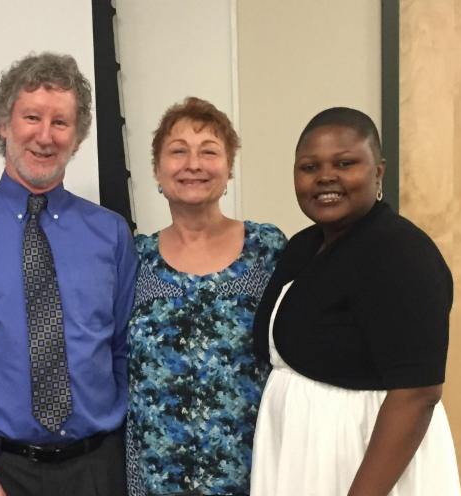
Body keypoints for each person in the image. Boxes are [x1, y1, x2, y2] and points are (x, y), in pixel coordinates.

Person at [0, 52, 138, 496]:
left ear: (77, 137)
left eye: (60, 122)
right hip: (1, 473)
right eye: (32, 117)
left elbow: (122, 347)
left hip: (97, 469)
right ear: (4, 125)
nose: (45, 136)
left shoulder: (111, 234)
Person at [250, 107, 461, 495]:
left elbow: (418, 394)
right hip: (303, 452)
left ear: (378, 172)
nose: (325, 177)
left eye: (345, 163)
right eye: (309, 167)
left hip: (364, 461)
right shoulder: (303, 246)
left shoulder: (402, 253)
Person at [124, 97, 287, 496]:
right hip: (154, 477)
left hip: (250, 471)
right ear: (157, 170)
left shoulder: (267, 249)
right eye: (178, 151)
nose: (193, 164)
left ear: (229, 168)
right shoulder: (133, 257)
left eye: (209, 152)